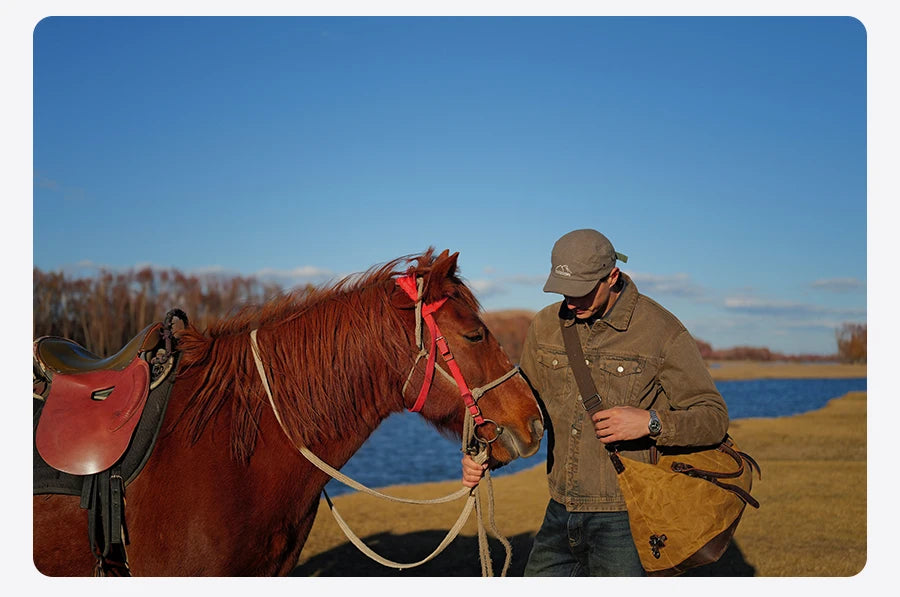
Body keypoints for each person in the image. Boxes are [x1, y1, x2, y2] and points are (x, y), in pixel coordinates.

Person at [462, 229, 729, 576]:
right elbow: (525, 413)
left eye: (583, 291)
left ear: (612, 276)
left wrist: (649, 422)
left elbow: (713, 418)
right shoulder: (545, 325)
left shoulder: (662, 331)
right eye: (564, 290)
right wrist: (483, 456)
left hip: (627, 517)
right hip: (559, 511)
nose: (572, 301)